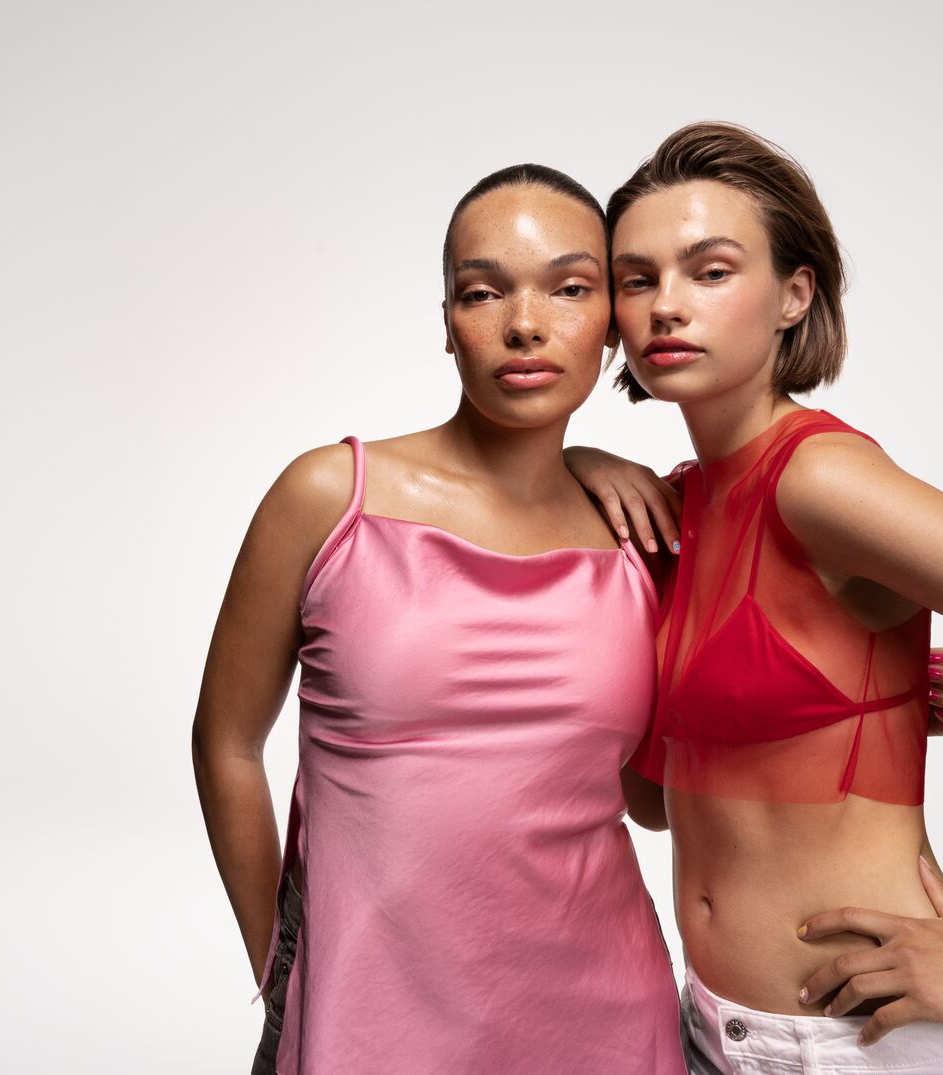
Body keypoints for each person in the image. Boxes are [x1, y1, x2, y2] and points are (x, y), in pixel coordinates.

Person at [566, 121, 943, 1074]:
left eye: (711, 271)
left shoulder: (819, 481)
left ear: (793, 296)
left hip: (868, 1044)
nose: (667, 305)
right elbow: (654, 805)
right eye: (637, 279)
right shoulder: (680, 507)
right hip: (717, 1031)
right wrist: (567, 468)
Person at [193, 165, 689, 1074]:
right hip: (368, 1018)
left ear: (615, 324)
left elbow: (652, 801)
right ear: (448, 320)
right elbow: (225, 741)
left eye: (570, 288)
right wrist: (283, 962)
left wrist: (852, 695)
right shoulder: (330, 496)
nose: (525, 323)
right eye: (483, 291)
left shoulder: (639, 538)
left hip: (607, 1016)